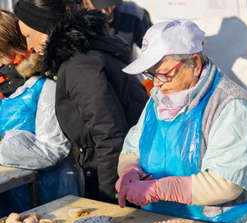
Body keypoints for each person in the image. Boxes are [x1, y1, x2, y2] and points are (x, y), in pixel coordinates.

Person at [116, 20, 247, 223]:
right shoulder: (159, 100)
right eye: (150, 74)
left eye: (164, 74)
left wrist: (158, 189)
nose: (156, 84)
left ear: (195, 64)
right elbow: (133, 147)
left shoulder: (233, 107)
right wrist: (130, 170)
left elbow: (226, 183)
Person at [14, 0, 148, 203]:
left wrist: (110, 199)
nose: (29, 46)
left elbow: (110, 135)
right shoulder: (81, 55)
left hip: (120, 177)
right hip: (122, 171)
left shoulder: (79, 65)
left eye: (28, 36)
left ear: (45, 27)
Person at [0, 9, 77, 215]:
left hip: (42, 202)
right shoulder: (3, 90)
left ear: (14, 48)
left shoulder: (43, 88)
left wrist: (7, 146)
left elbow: (55, 150)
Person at [82, 0, 151, 52]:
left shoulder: (133, 14)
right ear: (85, 2)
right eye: (97, 6)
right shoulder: (75, 20)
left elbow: (153, 49)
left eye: (109, 4)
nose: (104, 12)